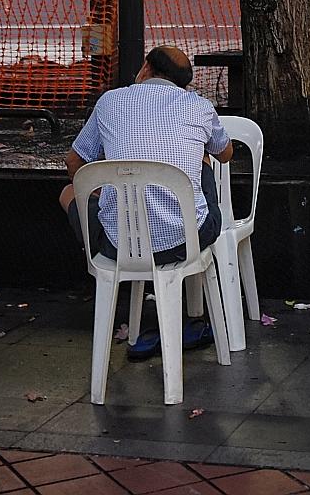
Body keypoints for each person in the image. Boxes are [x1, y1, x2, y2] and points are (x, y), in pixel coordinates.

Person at [58, 45, 233, 359]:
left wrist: (99, 192)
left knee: (69, 192)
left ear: (146, 68)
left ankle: (101, 255)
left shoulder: (110, 101)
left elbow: (74, 162)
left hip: (118, 246)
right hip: (187, 242)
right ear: (183, 83)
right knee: (203, 159)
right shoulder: (199, 106)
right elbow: (226, 153)